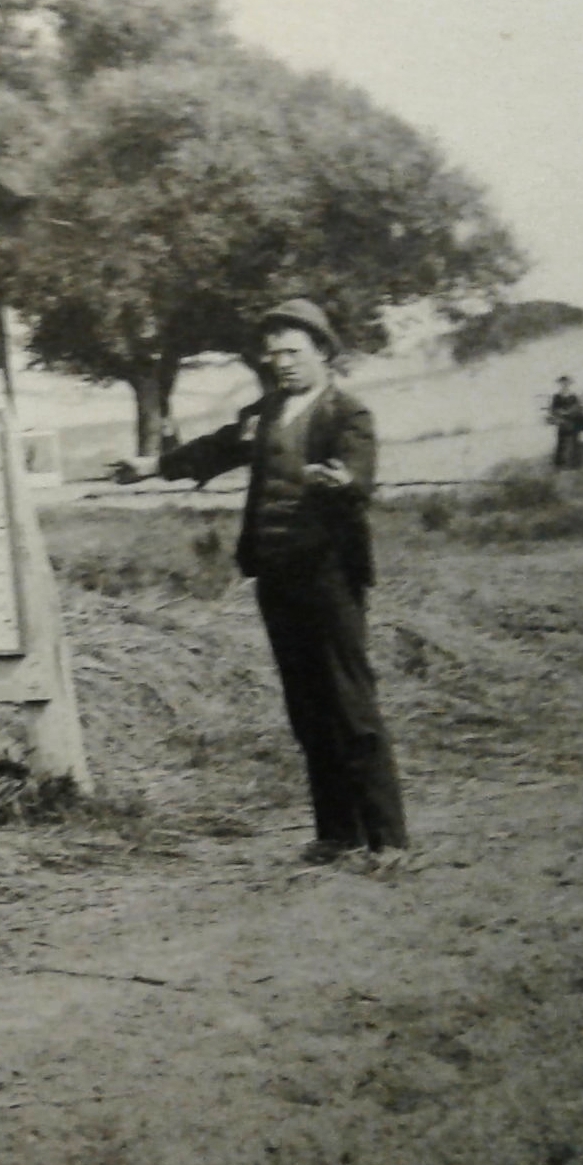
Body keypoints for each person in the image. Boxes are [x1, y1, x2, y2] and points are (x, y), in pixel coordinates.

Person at [113, 299, 408, 863]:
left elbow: (359, 477)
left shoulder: (348, 414)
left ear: (323, 351)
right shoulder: (265, 413)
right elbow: (217, 449)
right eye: (274, 355)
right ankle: (336, 833)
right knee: (305, 705)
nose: (283, 364)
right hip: (275, 576)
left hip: (330, 576)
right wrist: (153, 466)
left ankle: (387, 837)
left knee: (349, 701)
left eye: (293, 352)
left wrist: (341, 481)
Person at [546, 375, 583, 470]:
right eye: (562, 383)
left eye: (566, 383)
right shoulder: (556, 397)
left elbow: (581, 408)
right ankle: (559, 464)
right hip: (562, 422)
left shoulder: (574, 396)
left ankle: (576, 464)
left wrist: (571, 412)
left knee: (575, 442)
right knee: (561, 442)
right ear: (560, 384)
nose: (564, 385)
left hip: (573, 422)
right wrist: (560, 413)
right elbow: (552, 410)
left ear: (569, 384)